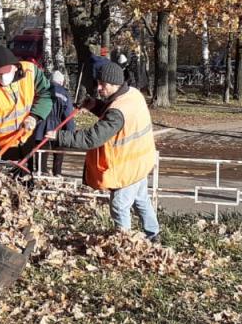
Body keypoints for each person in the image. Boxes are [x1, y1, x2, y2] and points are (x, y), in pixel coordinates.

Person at [49, 56, 160, 241]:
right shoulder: (132, 94)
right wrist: (95, 105)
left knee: (119, 206)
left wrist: (59, 136)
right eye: (98, 83)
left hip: (127, 168)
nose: (99, 88)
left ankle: (125, 244)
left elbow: (92, 138)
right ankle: (153, 234)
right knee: (141, 200)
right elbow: (114, 112)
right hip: (141, 161)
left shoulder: (118, 111)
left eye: (103, 84)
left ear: (115, 84)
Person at [0, 45, 53, 163]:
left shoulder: (30, 71)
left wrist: (34, 116)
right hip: (2, 146)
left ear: (16, 67)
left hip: (26, 139)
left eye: (6, 73)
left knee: (25, 177)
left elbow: (47, 94)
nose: (3, 78)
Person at [36, 69, 75, 176]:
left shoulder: (43, 90)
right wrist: (70, 133)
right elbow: (68, 115)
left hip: (41, 123)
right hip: (58, 126)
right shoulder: (65, 94)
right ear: (62, 82)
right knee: (58, 151)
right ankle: (57, 173)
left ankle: (41, 171)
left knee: (41, 151)